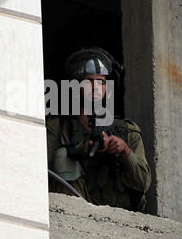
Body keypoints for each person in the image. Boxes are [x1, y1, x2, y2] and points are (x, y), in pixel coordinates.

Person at [46, 47, 151, 212]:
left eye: (101, 82)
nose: (95, 87)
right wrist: (83, 148)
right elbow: (38, 173)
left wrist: (124, 151)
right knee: (62, 156)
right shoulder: (58, 128)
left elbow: (143, 184)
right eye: (88, 82)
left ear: (108, 91)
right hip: (72, 218)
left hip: (117, 223)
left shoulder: (127, 131)